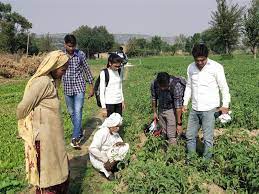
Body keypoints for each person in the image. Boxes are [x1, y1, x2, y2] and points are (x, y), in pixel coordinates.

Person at [17, 50, 70, 194]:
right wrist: (27, 127)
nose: (64, 73)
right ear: (54, 66)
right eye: (63, 69)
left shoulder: (51, 82)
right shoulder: (42, 82)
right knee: (48, 173)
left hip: (52, 135)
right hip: (44, 137)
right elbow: (22, 108)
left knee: (57, 167)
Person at [182, 43, 231, 159]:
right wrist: (185, 103)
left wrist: (225, 105)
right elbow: (189, 86)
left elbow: (223, 87)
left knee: (208, 138)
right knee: (189, 136)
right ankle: (191, 159)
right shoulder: (190, 67)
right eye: (197, 60)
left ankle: (206, 163)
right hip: (195, 108)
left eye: (202, 60)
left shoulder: (216, 67)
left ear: (207, 57)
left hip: (210, 109)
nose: (199, 63)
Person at [62, 34, 94, 148]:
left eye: (73, 46)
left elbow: (87, 69)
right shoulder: (61, 56)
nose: (71, 48)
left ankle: (75, 138)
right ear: (65, 44)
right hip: (67, 88)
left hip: (79, 86)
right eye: (69, 46)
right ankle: (79, 132)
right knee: (71, 113)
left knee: (78, 110)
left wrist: (91, 86)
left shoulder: (80, 54)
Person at [89, 113, 129, 180]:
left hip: (109, 154)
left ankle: (113, 165)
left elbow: (118, 140)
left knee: (125, 146)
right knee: (106, 167)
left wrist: (120, 142)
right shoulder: (102, 133)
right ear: (111, 125)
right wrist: (106, 161)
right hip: (99, 156)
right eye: (116, 126)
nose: (118, 128)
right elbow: (92, 149)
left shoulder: (114, 132)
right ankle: (107, 171)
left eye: (119, 126)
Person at [151, 72, 185, 145]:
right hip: (161, 108)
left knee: (171, 134)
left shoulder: (176, 85)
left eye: (165, 86)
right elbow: (154, 98)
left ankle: (173, 151)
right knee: (163, 131)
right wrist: (154, 112)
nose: (163, 88)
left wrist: (179, 124)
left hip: (172, 109)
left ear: (168, 81)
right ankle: (164, 149)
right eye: (161, 86)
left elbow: (178, 106)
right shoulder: (154, 84)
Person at [100, 53, 125, 117]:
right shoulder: (104, 73)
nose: (117, 68)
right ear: (110, 63)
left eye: (119, 66)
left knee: (118, 122)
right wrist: (103, 107)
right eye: (115, 66)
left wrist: (122, 100)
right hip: (109, 103)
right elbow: (102, 91)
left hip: (118, 102)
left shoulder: (119, 71)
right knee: (111, 124)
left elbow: (120, 87)